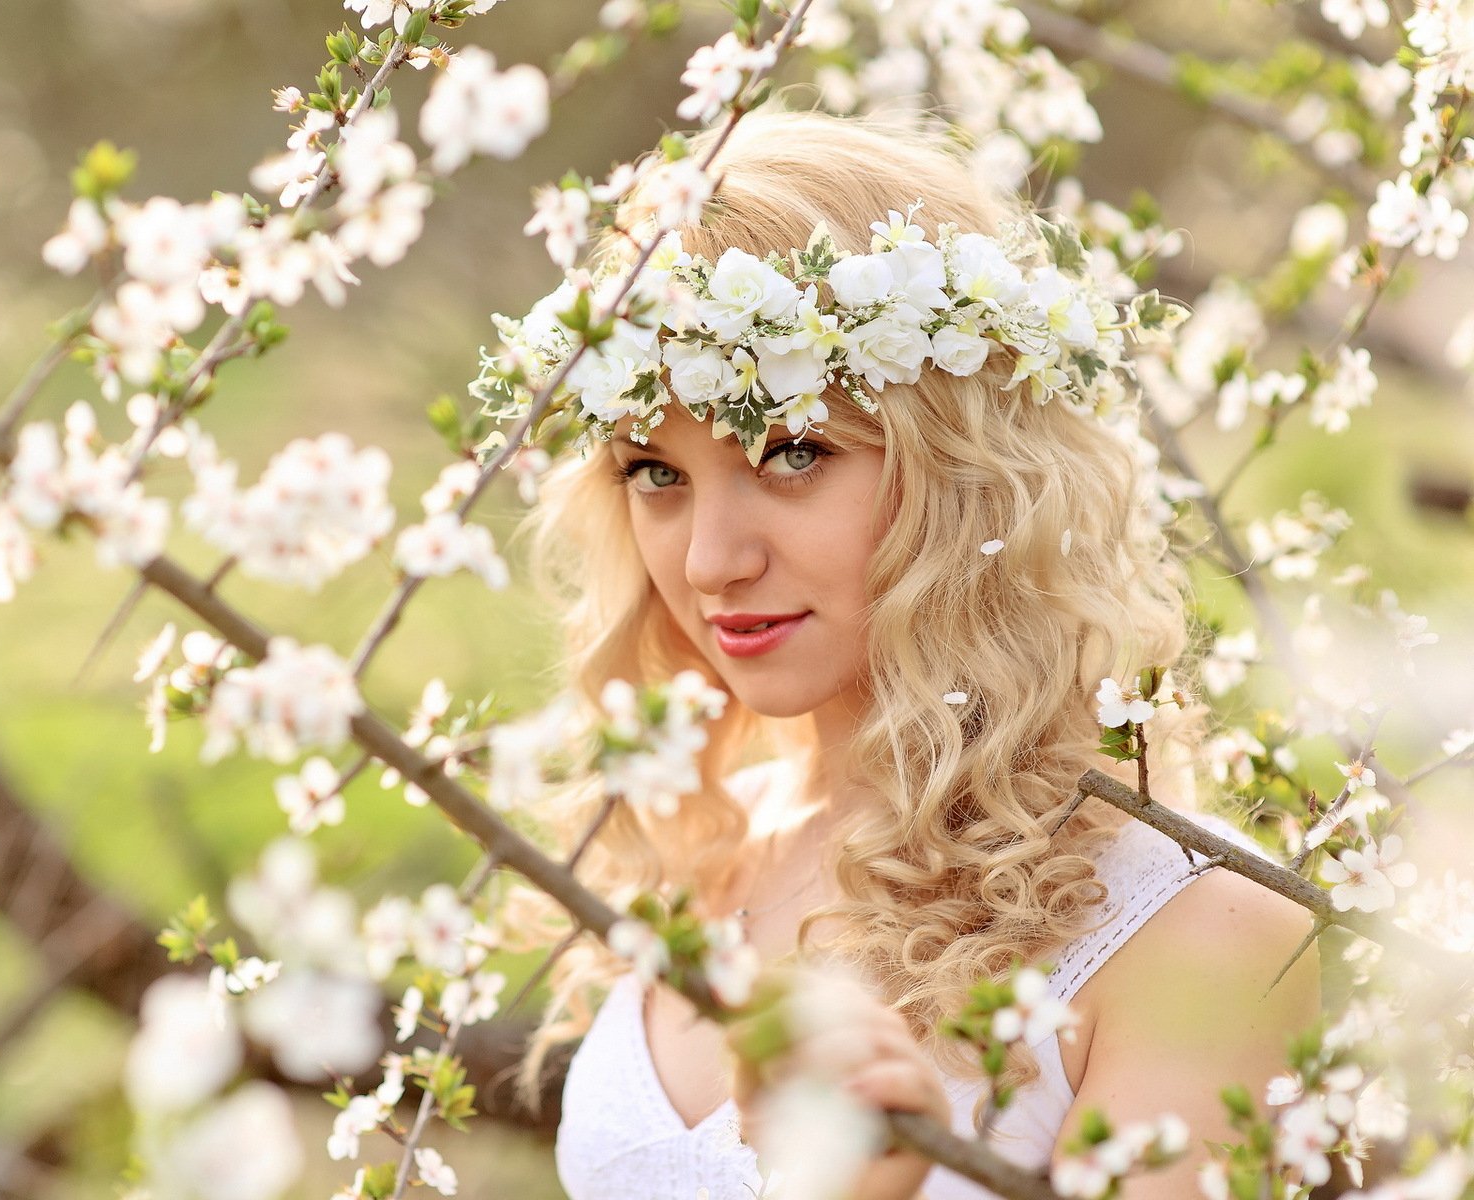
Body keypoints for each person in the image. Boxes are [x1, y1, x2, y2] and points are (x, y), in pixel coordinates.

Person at [489, 108, 1323, 1200]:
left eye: (792, 452)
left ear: (966, 466)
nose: (709, 561)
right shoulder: (705, 856)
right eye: (655, 473)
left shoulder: (1201, 926)